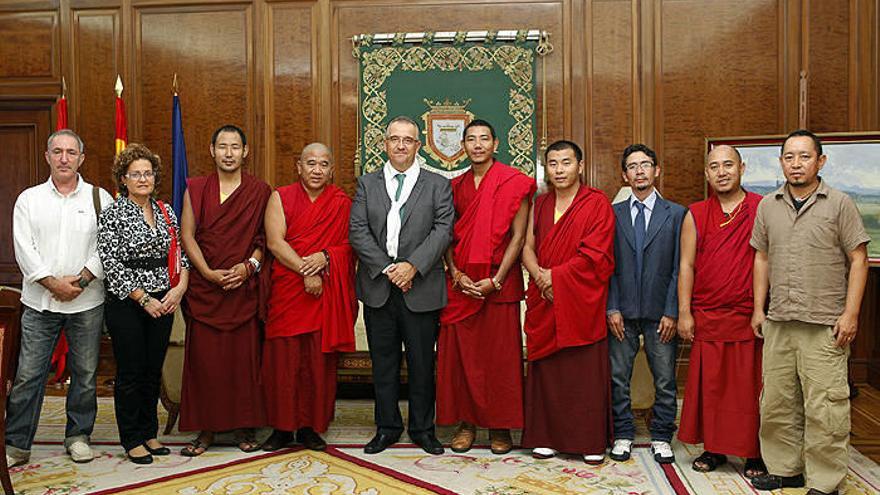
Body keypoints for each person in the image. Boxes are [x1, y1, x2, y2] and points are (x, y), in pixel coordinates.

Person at [749, 130, 869, 495]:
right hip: (780, 321)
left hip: (824, 324)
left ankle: (825, 481)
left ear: (820, 161)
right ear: (781, 162)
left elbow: (859, 259)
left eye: (804, 156)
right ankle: (786, 470)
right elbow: (761, 257)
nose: (796, 164)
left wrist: (851, 315)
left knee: (825, 407)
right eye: (789, 157)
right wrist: (758, 309)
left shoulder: (840, 203)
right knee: (777, 403)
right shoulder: (768, 206)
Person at [7, 130, 113, 467]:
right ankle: (16, 444)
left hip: (87, 302)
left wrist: (79, 282)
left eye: (71, 152)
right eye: (57, 151)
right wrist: (53, 284)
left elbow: (107, 246)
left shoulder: (100, 198)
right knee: (28, 375)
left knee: (85, 374)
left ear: (81, 158)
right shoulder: (29, 200)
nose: (64, 158)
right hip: (39, 303)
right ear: (47, 156)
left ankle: (78, 437)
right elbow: (24, 249)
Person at [349, 116, 454, 455]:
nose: (400, 145)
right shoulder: (367, 183)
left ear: (418, 146)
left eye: (407, 140)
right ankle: (387, 428)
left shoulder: (438, 184)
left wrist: (412, 267)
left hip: (421, 287)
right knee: (384, 364)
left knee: (422, 364)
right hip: (379, 287)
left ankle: (423, 430)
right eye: (394, 139)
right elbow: (358, 231)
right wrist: (387, 269)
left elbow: (443, 230)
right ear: (385, 144)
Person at [437, 119, 534, 455]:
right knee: (463, 359)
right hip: (462, 285)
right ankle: (466, 424)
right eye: (471, 139)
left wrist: (497, 280)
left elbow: (518, 237)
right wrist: (455, 273)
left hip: (499, 284)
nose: (477, 145)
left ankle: (500, 426)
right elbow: (447, 235)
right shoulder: (454, 187)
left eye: (484, 139)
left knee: (500, 360)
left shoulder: (513, 182)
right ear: (462, 146)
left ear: (496, 144)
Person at [178, 124, 272, 456]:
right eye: (222, 147)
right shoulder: (196, 188)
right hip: (206, 290)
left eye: (235, 147)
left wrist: (248, 267)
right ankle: (206, 429)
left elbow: (265, 239)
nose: (229, 153)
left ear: (245, 152)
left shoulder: (260, 191)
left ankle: (244, 426)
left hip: (243, 290)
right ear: (212, 151)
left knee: (243, 363)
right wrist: (206, 272)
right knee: (206, 364)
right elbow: (187, 235)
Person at [520, 140, 615, 464]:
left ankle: (588, 440)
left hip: (581, 300)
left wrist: (555, 278)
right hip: (545, 297)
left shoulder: (596, 203)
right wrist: (540, 276)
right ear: (546, 169)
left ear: (580, 166)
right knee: (548, 372)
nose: (559, 170)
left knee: (583, 374)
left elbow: (597, 254)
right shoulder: (540, 203)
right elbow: (527, 246)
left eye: (566, 162)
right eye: (553, 163)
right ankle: (546, 437)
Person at [260, 143, 357, 451]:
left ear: (332, 170)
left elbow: (349, 246)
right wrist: (306, 271)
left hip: (324, 294)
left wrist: (326, 256)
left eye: (323, 164)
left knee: (317, 364)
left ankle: (310, 427)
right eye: (311, 163)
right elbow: (275, 243)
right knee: (283, 363)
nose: (317, 170)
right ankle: (281, 427)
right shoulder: (281, 197)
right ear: (298, 167)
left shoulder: (341, 203)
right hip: (289, 290)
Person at [677, 145, 766, 477]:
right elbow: (686, 265)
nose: (722, 172)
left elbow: (764, 259)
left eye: (728, 165)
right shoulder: (696, 213)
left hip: (746, 314)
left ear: (742, 168)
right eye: (714, 166)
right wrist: (684, 312)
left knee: (748, 388)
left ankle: (753, 451)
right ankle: (714, 448)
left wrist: (759, 309)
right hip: (708, 313)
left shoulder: (760, 208)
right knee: (711, 386)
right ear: (707, 174)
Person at [98, 143, 190, 464]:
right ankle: (132, 438)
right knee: (131, 371)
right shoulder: (113, 213)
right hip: (127, 303)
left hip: (165, 300)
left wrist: (179, 290)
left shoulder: (166, 210)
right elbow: (111, 263)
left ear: (155, 177)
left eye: (147, 173)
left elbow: (180, 254)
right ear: (123, 179)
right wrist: (144, 298)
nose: (142, 179)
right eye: (135, 174)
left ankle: (150, 433)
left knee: (153, 370)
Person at [607, 143, 685, 464]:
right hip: (621, 312)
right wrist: (611, 307)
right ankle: (623, 433)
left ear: (656, 170)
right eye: (632, 166)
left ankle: (662, 435)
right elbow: (607, 266)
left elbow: (680, 267)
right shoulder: (612, 214)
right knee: (618, 377)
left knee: (665, 379)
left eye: (645, 165)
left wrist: (672, 311)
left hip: (660, 313)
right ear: (624, 175)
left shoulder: (677, 214)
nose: (639, 171)